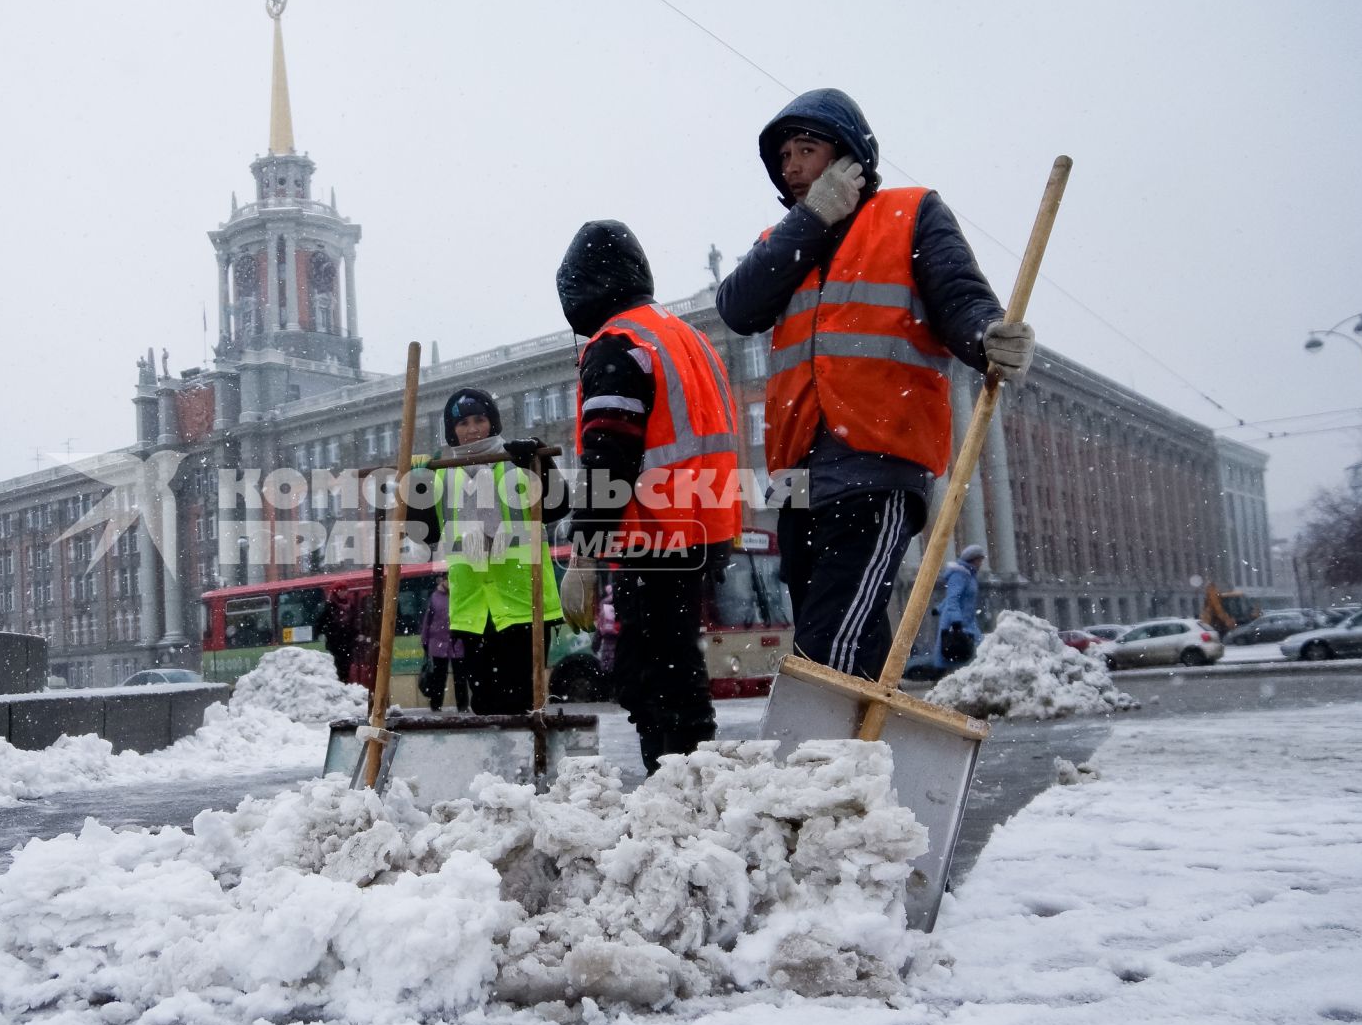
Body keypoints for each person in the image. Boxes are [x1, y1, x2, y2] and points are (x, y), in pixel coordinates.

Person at [715, 88, 1037, 680]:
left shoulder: (910, 213)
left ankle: (815, 755)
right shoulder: (785, 241)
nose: (789, 165)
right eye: (782, 155)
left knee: (828, 635)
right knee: (840, 624)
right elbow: (737, 307)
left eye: (805, 150)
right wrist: (811, 219)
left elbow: (960, 296)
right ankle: (862, 758)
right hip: (797, 472)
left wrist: (988, 336)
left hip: (875, 456)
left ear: (848, 157)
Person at [554, 220, 743, 774]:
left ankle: (679, 781)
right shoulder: (684, 336)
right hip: (703, 526)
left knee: (653, 672)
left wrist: (585, 556)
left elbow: (607, 459)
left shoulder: (619, 343)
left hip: (655, 535)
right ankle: (688, 776)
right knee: (673, 662)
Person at [404, 388, 566, 715]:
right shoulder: (440, 473)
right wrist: (416, 484)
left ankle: (527, 765)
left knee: (523, 704)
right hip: (475, 609)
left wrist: (540, 460)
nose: (472, 428)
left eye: (480, 418)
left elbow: (557, 507)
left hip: (524, 604)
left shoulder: (517, 461)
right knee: (485, 706)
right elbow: (422, 532)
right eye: (463, 422)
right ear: (452, 431)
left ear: (493, 421)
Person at [418, 574, 470, 713]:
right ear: (442, 581)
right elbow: (427, 620)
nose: (448, 582)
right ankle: (436, 705)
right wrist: (425, 640)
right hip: (437, 644)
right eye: (446, 579)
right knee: (438, 678)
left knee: (460, 677)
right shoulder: (435, 597)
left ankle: (463, 706)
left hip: (457, 643)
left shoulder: (459, 595)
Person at [935, 544, 986, 668]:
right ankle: (945, 676)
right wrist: (956, 620)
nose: (981, 563)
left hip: (968, 620)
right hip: (957, 621)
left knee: (978, 650)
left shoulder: (969, 575)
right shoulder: (959, 575)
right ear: (972, 560)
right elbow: (953, 598)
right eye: (979, 560)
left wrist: (939, 608)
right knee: (956, 650)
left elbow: (952, 597)